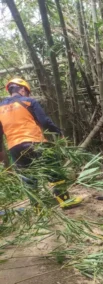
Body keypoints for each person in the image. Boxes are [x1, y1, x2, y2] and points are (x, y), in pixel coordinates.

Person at [0, 78, 82, 209]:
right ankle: (65, 200)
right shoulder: (29, 101)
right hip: (34, 142)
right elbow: (44, 121)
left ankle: (38, 209)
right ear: (22, 89)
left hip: (14, 147)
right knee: (53, 169)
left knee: (28, 177)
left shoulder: (0, 108)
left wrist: (2, 156)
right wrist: (58, 132)